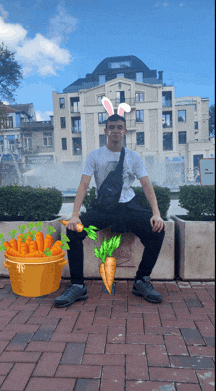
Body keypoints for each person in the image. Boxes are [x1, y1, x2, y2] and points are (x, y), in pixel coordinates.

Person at [54, 113, 166, 308]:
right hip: (105, 209)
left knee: (158, 230)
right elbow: (83, 185)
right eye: (112, 127)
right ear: (106, 131)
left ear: (124, 131)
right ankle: (78, 286)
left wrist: (156, 213)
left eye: (119, 127)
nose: (115, 131)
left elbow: (147, 186)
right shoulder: (95, 156)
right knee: (73, 230)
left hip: (128, 207)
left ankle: (141, 281)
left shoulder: (133, 157)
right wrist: (75, 214)